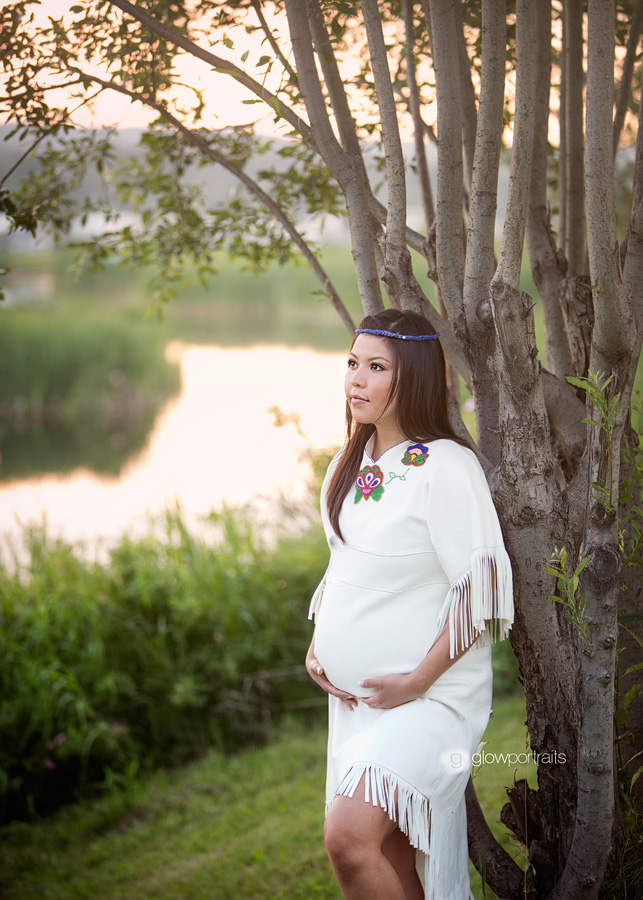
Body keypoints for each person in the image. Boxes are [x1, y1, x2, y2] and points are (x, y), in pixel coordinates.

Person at [305, 308, 514, 900]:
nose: (356, 380)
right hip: (358, 706)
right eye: (352, 364)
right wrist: (319, 644)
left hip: (430, 701)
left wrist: (417, 681)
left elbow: (481, 589)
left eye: (375, 367)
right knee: (390, 854)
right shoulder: (345, 468)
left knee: (347, 839)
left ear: (414, 377)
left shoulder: (446, 465)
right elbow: (346, 565)